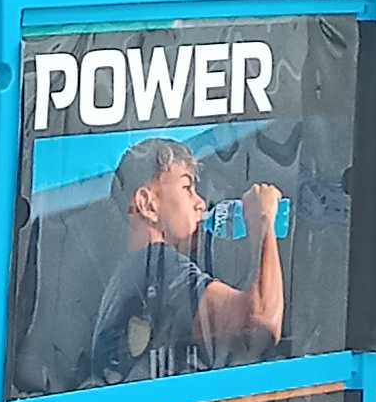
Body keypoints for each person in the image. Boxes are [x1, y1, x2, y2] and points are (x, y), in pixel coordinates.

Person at [84, 141, 283, 384]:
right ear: (147, 204)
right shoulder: (159, 266)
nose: (201, 203)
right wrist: (263, 220)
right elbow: (260, 325)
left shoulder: (129, 277)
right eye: (187, 187)